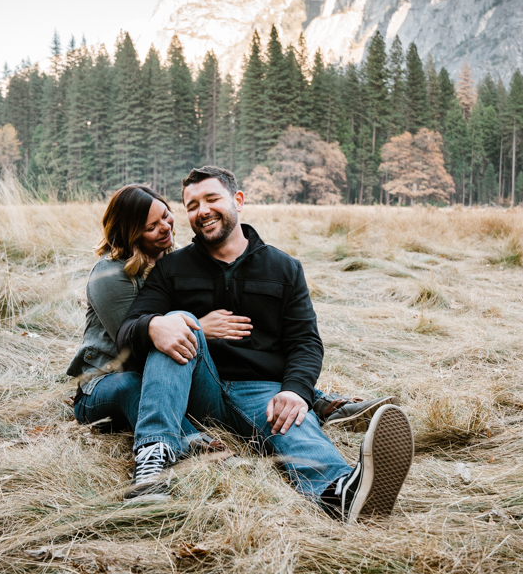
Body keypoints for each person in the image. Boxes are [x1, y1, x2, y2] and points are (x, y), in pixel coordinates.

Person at [116, 166, 414, 523]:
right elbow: (128, 329)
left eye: (212, 199)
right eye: (192, 205)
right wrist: (154, 326)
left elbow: (305, 341)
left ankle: (341, 494)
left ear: (238, 201)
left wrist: (296, 391)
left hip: (262, 391)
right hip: (197, 390)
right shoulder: (171, 268)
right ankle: (152, 466)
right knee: (176, 323)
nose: (202, 211)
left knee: (296, 427)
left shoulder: (284, 268)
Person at [67, 182, 382, 443]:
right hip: (109, 381)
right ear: (130, 233)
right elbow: (134, 354)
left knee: (233, 368)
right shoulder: (110, 276)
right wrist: (199, 326)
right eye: (152, 227)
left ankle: (315, 401)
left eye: (166, 215)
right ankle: (191, 443)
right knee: (135, 383)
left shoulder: (169, 262)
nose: (165, 228)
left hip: (167, 379)